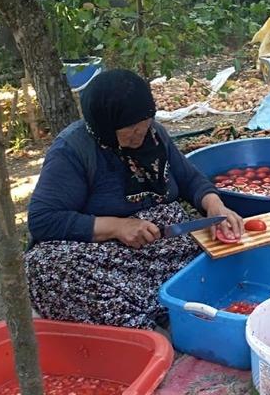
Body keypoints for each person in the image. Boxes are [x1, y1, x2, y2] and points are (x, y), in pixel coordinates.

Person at [25, 69, 243, 329]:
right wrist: (117, 227)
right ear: (106, 125)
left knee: (222, 257)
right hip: (105, 256)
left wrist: (215, 207)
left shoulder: (154, 135)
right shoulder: (73, 151)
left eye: (145, 124)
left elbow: (189, 180)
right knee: (45, 266)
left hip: (163, 247)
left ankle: (167, 303)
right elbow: (42, 220)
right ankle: (138, 326)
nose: (140, 136)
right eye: (130, 130)